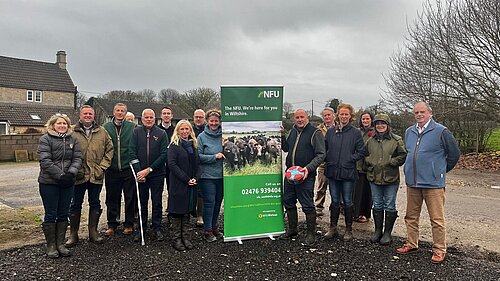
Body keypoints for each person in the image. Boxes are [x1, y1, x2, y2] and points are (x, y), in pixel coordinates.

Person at [396, 102, 460, 264]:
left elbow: (454, 154)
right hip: (413, 182)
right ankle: (411, 243)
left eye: (422, 112)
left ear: (430, 113)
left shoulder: (441, 131)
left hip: (433, 184)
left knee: (436, 219)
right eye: (416, 112)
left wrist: (439, 171)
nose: (419, 115)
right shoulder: (409, 132)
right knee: (410, 216)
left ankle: (439, 249)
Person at [66, 105, 113, 247]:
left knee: (95, 203)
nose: (87, 116)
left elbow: (109, 150)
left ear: (93, 116)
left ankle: (93, 232)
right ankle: (73, 234)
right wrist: (73, 169)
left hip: (95, 175)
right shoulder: (71, 132)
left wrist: (102, 167)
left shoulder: (102, 132)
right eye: (85, 113)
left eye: (90, 114)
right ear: (80, 115)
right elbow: (65, 153)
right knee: (75, 204)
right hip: (78, 175)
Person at [38, 114, 82, 258]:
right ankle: (51, 245)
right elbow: (45, 161)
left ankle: (60, 244)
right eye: (59, 123)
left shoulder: (73, 139)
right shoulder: (45, 139)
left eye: (65, 123)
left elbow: (77, 158)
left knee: (63, 212)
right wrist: (60, 176)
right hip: (49, 182)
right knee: (51, 213)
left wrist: (71, 173)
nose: (62, 125)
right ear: (52, 125)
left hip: (68, 182)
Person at [281, 109, 325, 245]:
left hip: (306, 175)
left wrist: (308, 168)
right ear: (294, 119)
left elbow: (321, 154)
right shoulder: (293, 131)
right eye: (297, 117)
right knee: (288, 201)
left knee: (307, 204)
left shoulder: (315, 133)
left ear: (307, 118)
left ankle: (311, 234)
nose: (300, 120)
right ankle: (292, 229)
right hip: (290, 173)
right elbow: (286, 149)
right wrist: (282, 135)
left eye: (302, 117)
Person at [324, 103, 365, 241]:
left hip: (347, 172)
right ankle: (333, 227)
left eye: (346, 114)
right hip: (333, 171)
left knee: (348, 201)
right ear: (337, 115)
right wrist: (328, 159)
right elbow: (324, 149)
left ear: (350, 116)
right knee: (334, 200)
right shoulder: (331, 132)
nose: (344, 116)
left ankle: (348, 229)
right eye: (341, 114)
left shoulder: (355, 132)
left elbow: (362, 151)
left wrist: (350, 159)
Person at [364, 113, 407, 245]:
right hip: (374, 177)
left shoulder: (396, 140)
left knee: (389, 204)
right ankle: (377, 231)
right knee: (377, 204)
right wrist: (369, 161)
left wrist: (392, 162)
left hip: (390, 177)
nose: (380, 126)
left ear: (387, 125)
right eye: (377, 124)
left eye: (383, 123)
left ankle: (387, 233)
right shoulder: (370, 141)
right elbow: (364, 154)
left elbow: (403, 155)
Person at [130, 109, 169, 242]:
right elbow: (131, 153)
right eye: (146, 117)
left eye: (151, 117)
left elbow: (164, 155)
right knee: (141, 202)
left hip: (156, 174)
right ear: (141, 119)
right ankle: (141, 229)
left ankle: (157, 228)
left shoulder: (161, 133)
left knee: (157, 201)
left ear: (155, 118)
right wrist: (139, 171)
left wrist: (149, 169)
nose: (148, 119)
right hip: (141, 174)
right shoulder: (136, 132)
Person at [103, 103, 137, 236]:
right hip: (112, 168)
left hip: (127, 168)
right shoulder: (106, 127)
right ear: (113, 112)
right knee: (112, 197)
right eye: (117, 110)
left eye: (122, 111)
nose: (120, 113)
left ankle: (129, 224)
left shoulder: (132, 127)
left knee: (130, 197)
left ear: (126, 113)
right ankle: (112, 224)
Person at [167, 120, 200, 251]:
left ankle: (185, 237)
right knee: (177, 211)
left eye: (187, 129)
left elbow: (198, 164)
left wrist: (196, 178)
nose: (185, 131)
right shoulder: (173, 146)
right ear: (178, 131)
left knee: (187, 211)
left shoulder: (194, 145)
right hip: (178, 183)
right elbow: (172, 165)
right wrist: (186, 179)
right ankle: (176, 239)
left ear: (190, 131)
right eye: (182, 129)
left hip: (192, 183)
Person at [197, 109, 224, 242]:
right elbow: (198, 156)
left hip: (223, 176)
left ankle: (214, 227)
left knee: (218, 202)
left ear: (219, 122)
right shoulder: (201, 137)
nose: (214, 123)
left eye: (216, 121)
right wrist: (214, 157)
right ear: (207, 121)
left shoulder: (224, 135)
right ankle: (207, 230)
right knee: (209, 203)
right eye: (211, 121)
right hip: (207, 176)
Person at [353, 111, 375, 223]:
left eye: (367, 119)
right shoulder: (357, 131)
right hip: (357, 165)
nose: (365, 121)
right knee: (356, 192)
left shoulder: (375, 132)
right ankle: (355, 213)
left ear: (371, 119)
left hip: (369, 166)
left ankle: (365, 214)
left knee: (367, 192)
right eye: (363, 119)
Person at [314, 107, 336, 216]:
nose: (327, 117)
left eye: (329, 115)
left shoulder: (340, 128)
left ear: (333, 116)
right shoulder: (318, 130)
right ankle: (318, 206)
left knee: (335, 187)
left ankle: (336, 206)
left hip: (336, 162)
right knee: (321, 186)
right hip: (323, 163)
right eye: (325, 115)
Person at [192, 109, 206, 227]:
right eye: (196, 117)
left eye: (200, 117)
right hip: (190, 162)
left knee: (201, 190)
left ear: (204, 118)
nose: (198, 119)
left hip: (204, 163)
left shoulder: (208, 129)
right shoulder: (189, 129)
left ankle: (200, 215)